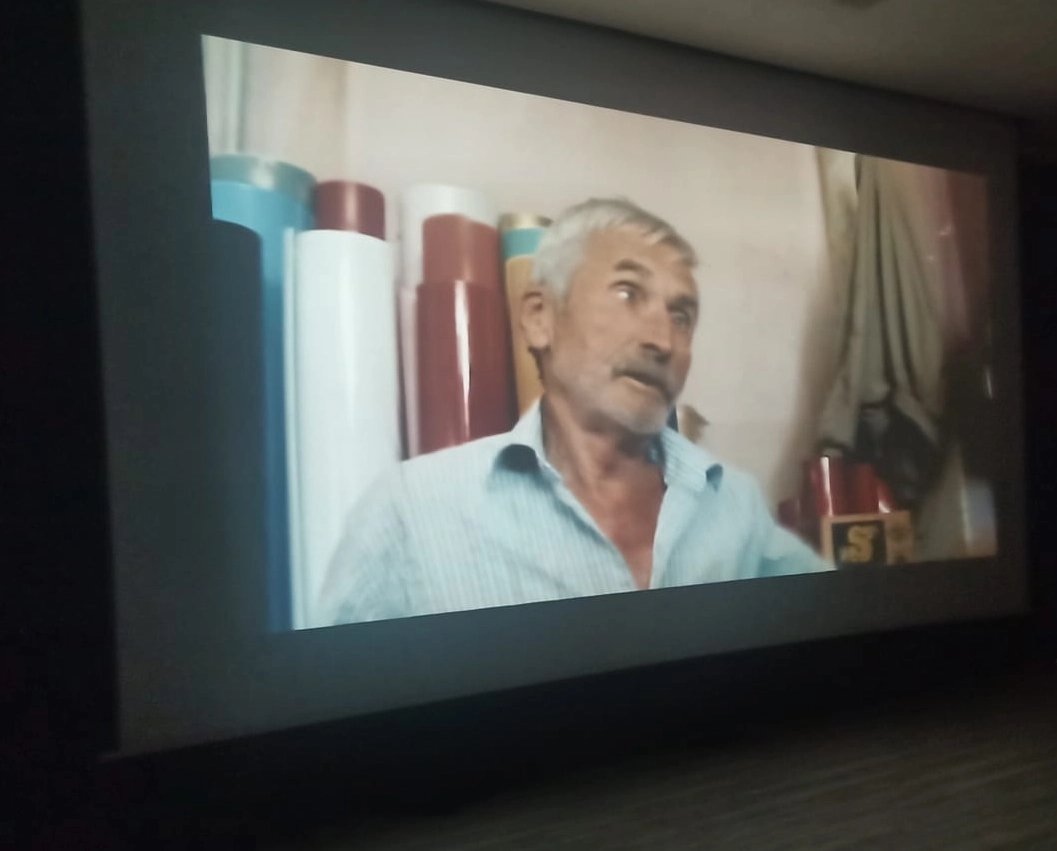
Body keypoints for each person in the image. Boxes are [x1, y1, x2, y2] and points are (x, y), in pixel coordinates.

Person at [321, 198, 831, 624]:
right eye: (628, 293)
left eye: (681, 316)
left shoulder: (733, 504)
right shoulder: (410, 514)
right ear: (539, 318)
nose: (662, 341)